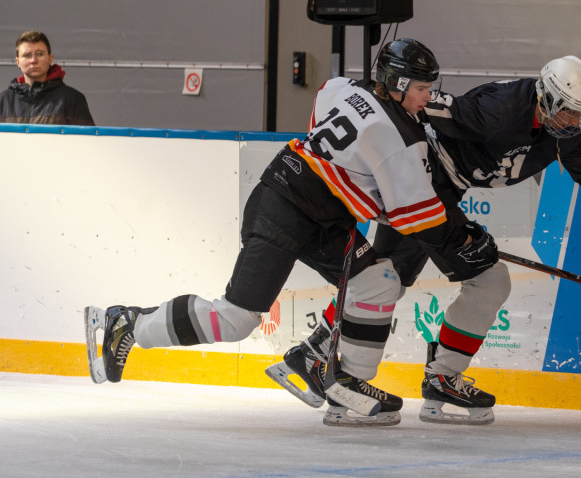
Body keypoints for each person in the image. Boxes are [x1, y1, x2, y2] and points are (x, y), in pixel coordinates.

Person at [85, 38, 508, 429]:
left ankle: (347, 389)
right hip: (284, 211)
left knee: (379, 283)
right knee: (237, 319)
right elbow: (420, 219)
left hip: (311, 207)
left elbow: (325, 107)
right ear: (396, 84)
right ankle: (130, 323)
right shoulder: (402, 138)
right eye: (421, 88)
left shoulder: (344, 88)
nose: (428, 97)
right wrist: (465, 241)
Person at [275, 55, 581, 423]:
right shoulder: (496, 108)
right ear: (546, 98)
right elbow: (410, 101)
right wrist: (376, 94)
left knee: (388, 282)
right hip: (420, 189)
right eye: (567, 109)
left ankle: (323, 354)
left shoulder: (558, 129)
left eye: (580, 113)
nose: (573, 121)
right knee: (478, 281)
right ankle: (406, 372)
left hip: (441, 196)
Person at [1, 31, 94, 125]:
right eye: (27, 55)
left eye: (39, 54)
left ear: (50, 59)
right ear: (18, 62)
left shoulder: (71, 99)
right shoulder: (3, 100)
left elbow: (87, 139)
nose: (33, 60)